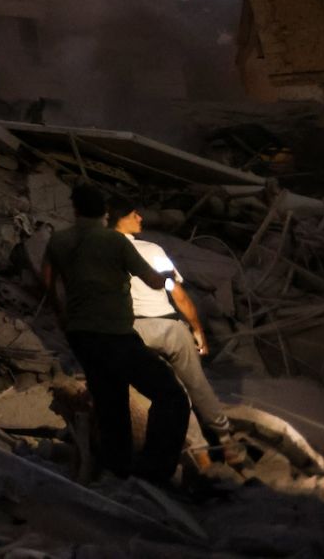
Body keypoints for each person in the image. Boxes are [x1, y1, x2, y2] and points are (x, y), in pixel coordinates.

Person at [41, 183, 190, 484]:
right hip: (115, 333)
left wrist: (62, 314)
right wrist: (167, 277)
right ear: (105, 213)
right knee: (170, 395)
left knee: (112, 400)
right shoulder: (115, 242)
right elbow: (150, 280)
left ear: (76, 209)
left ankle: (118, 470)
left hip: (81, 336)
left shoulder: (59, 241)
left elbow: (47, 279)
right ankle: (154, 471)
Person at [107, 193, 238, 457]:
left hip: (135, 332)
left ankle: (200, 453)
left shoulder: (101, 256)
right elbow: (177, 294)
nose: (140, 217)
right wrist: (197, 329)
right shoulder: (151, 250)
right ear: (120, 221)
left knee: (172, 392)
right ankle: (227, 440)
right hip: (168, 327)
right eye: (134, 214)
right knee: (197, 384)